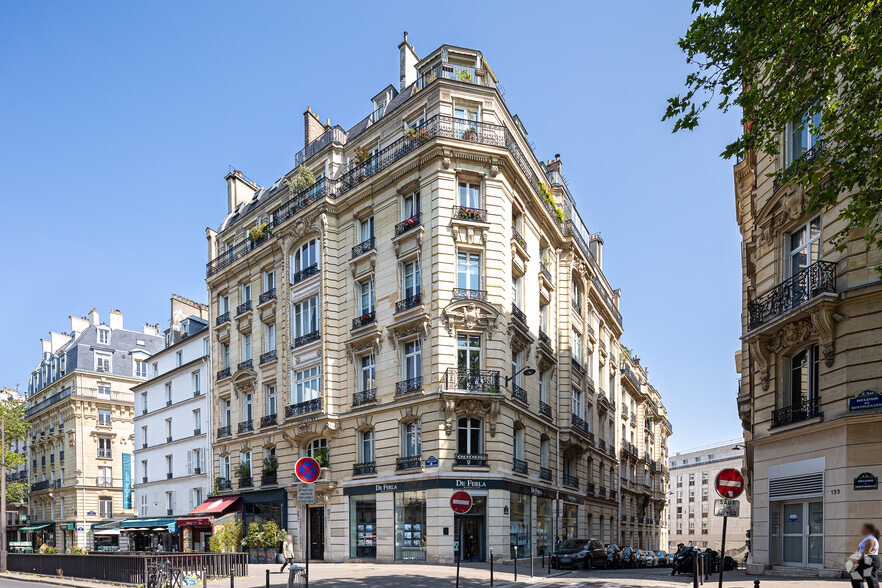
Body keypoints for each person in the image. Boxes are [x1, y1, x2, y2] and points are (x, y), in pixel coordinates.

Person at [852, 523, 881, 588]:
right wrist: (855, 559)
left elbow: (867, 551)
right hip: (865, 559)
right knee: (856, 576)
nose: (861, 530)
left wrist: (857, 560)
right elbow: (860, 550)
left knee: (871, 579)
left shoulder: (871, 539)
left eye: (863, 529)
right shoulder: (867, 538)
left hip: (869, 560)